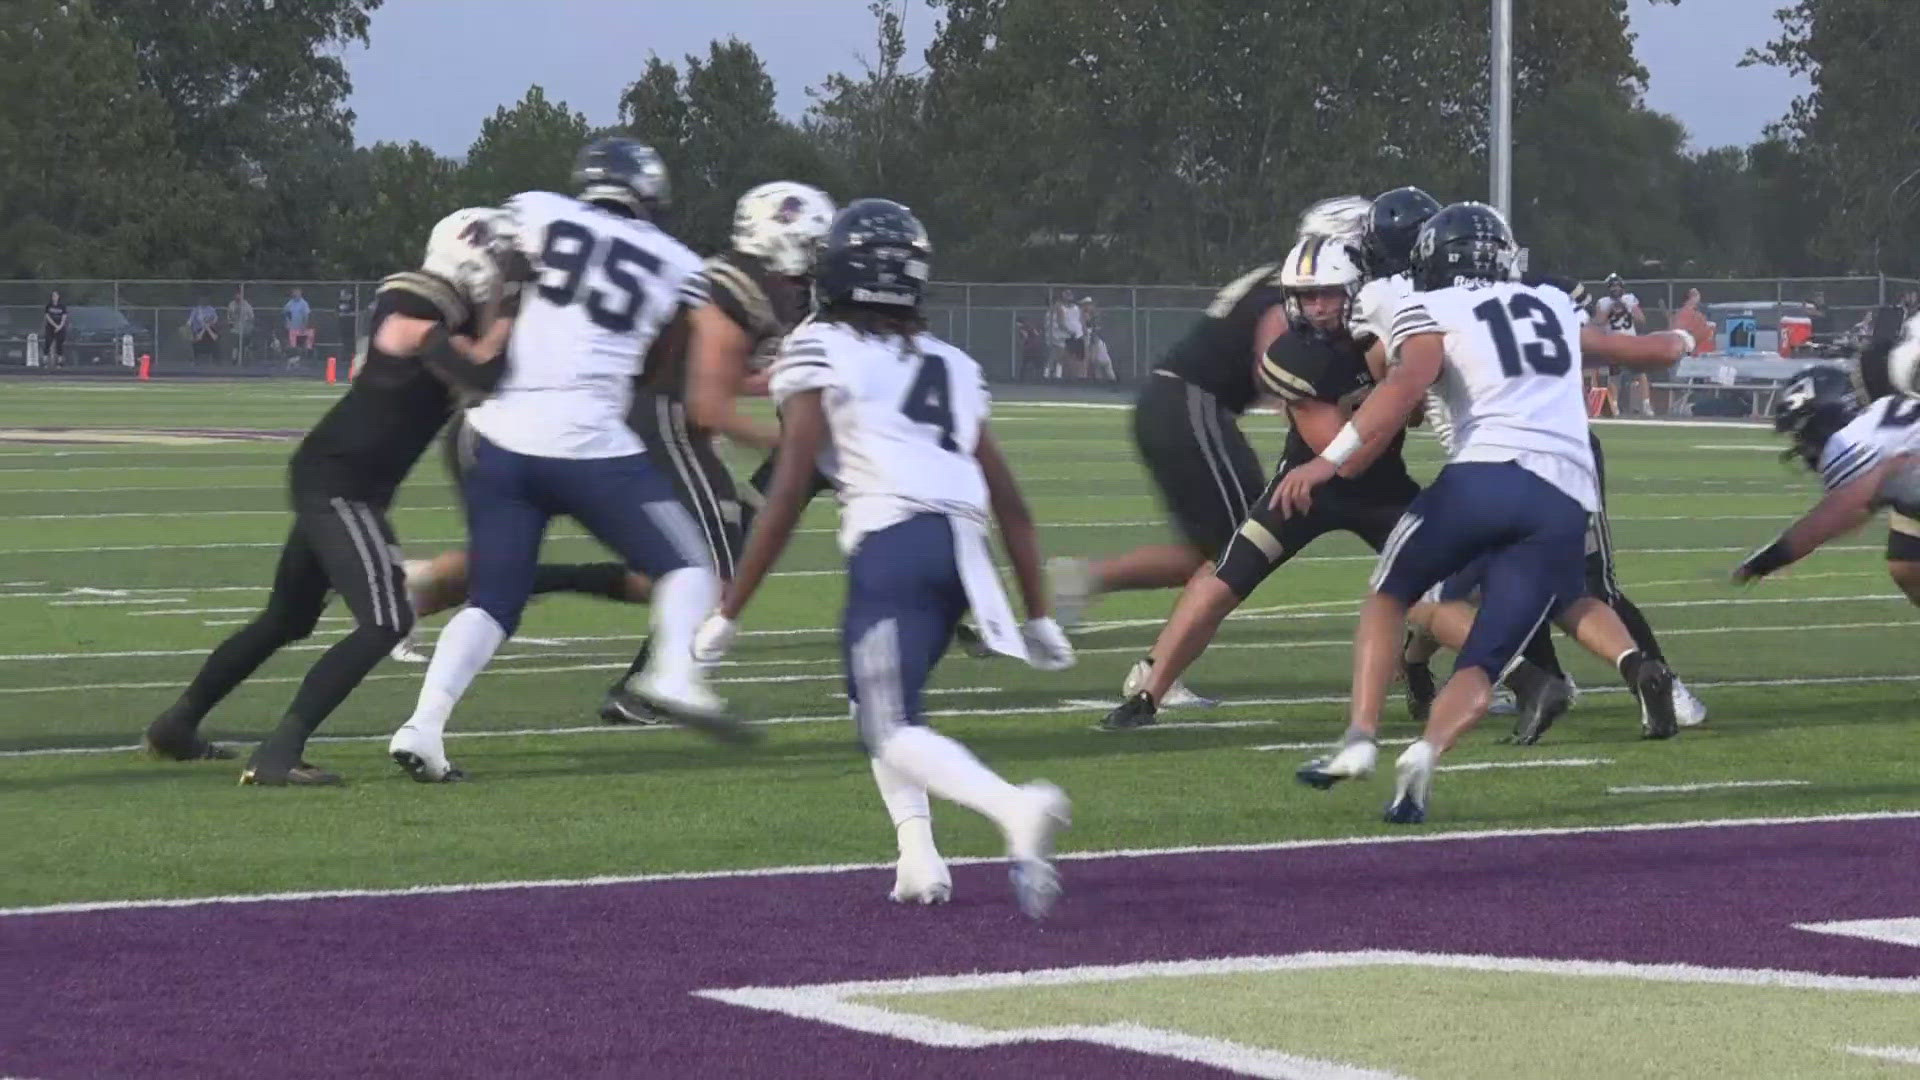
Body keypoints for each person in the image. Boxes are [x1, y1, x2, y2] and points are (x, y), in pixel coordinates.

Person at [692, 199, 1075, 916]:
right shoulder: (954, 363)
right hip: (963, 555)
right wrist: (1040, 615)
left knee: (885, 722)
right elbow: (1012, 504)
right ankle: (918, 856)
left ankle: (1013, 808)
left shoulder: (818, 348)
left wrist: (729, 611)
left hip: (894, 546)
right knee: (883, 701)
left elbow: (786, 491)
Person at [1272, 202, 1706, 823]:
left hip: (1483, 476)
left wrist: (1326, 462)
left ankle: (1360, 741)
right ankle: (1426, 754)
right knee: (1486, 659)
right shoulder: (1551, 304)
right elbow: (1649, 353)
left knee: (1391, 596)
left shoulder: (1432, 307)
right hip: (1563, 495)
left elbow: (1403, 387)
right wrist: (1687, 332)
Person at [386, 137, 750, 782]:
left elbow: (482, 264)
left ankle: (424, 726)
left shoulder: (535, 210)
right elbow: (667, 361)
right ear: (650, 197)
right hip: (588, 444)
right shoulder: (676, 261)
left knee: (493, 602)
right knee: (690, 564)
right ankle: (673, 676)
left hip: (496, 436)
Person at [141, 208, 512, 784]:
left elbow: (489, 368)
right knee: (387, 621)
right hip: (343, 485)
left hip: (340, 478)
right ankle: (278, 754)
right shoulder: (413, 306)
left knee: (286, 618)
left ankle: (176, 724)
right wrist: (513, 310)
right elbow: (480, 375)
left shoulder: (443, 317)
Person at [1050, 195, 1371, 708]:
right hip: (1192, 403)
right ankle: (1156, 673)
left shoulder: (1281, 278)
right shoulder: (1292, 291)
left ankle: (1091, 580)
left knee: (1220, 550)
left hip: (1179, 403)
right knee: (1234, 552)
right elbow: (1283, 368)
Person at [1099, 232, 1419, 731]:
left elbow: (1415, 407)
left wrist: (1399, 381)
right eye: (1304, 296)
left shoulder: (1383, 338)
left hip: (1385, 490)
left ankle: (1438, 667)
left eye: (1327, 294)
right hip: (1307, 488)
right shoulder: (1291, 354)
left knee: (1451, 581)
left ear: (1357, 291)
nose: (1315, 308)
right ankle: (1148, 693)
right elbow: (1347, 458)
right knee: (1227, 574)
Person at [1738, 359, 1920, 603]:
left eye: (1803, 430)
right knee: (1906, 564)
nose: (1801, 443)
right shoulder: (1884, 411)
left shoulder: (1849, 443)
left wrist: (1767, 560)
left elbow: (1837, 515)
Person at [284, 287, 315, 360]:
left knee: (311, 333)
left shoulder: (304, 303)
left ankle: (309, 350)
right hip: (293, 327)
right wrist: (287, 322)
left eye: (297, 293)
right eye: (294, 293)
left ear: (300, 294)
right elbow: (286, 312)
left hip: (302, 327)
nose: (295, 294)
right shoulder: (290, 302)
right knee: (292, 334)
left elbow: (306, 315)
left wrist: (304, 326)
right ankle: (293, 351)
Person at [226, 288, 255, 364]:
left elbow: (251, 317)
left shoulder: (246, 304)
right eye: (236, 295)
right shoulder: (231, 304)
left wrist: (249, 325)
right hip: (235, 327)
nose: (238, 297)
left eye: (239, 295)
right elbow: (230, 317)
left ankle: (244, 359)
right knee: (235, 344)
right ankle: (234, 360)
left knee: (245, 344)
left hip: (245, 327)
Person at [42, 291, 68, 367]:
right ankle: (45, 361)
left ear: (58, 297)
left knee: (59, 344)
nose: (54, 297)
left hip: (60, 328)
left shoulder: (62, 306)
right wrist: (55, 326)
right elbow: (47, 317)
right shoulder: (49, 306)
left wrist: (59, 327)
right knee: (48, 342)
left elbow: (64, 317)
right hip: (50, 328)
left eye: (56, 296)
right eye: (53, 296)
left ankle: (59, 362)